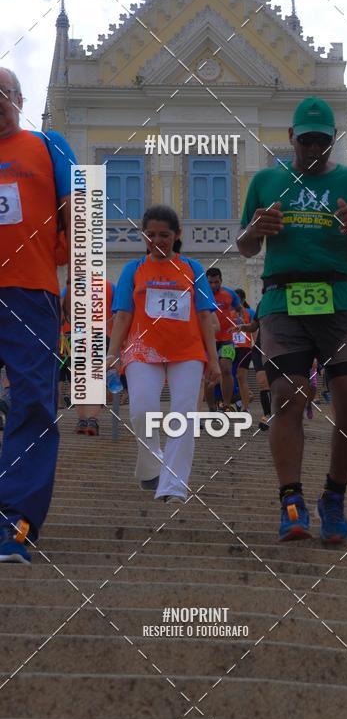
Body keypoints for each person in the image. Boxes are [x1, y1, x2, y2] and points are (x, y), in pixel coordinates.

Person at [237, 95, 347, 542]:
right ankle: (291, 500)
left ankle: (334, 496)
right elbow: (244, 245)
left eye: (322, 141)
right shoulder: (266, 180)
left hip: (339, 298)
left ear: (334, 140)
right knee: (288, 394)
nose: (314, 149)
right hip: (282, 299)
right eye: (306, 141)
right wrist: (255, 231)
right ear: (291, 138)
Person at [0, 67, 76, 563]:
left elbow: (82, 212)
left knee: (32, 404)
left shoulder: (49, 146)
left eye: (2, 93)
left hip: (31, 296)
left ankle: (15, 522)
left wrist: (82, 288)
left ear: (20, 99)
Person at [107, 205, 220, 503]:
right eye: (151, 235)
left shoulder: (193, 268)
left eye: (164, 235)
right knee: (142, 411)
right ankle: (151, 467)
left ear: (177, 235)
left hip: (187, 351)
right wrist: (112, 353)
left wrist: (213, 359)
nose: (157, 241)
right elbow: (122, 314)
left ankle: (173, 486)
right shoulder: (133, 269)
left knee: (183, 414)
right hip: (142, 351)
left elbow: (205, 315)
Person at [75, 278, 116, 437]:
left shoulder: (75, 285)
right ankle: (91, 420)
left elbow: (64, 307)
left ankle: (82, 420)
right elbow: (120, 312)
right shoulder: (110, 286)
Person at [205, 268, 242, 413]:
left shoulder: (229, 294)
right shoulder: (202, 294)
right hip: (209, 340)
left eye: (216, 282)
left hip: (226, 339)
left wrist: (238, 320)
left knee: (226, 369)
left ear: (221, 280)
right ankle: (211, 408)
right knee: (208, 374)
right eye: (210, 282)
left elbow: (239, 308)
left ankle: (226, 404)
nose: (214, 285)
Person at [238, 302, 272, 432]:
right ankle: (267, 415)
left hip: (281, 349)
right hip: (260, 349)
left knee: (279, 385)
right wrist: (242, 327)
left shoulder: (287, 302)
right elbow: (254, 326)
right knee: (263, 382)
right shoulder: (263, 304)